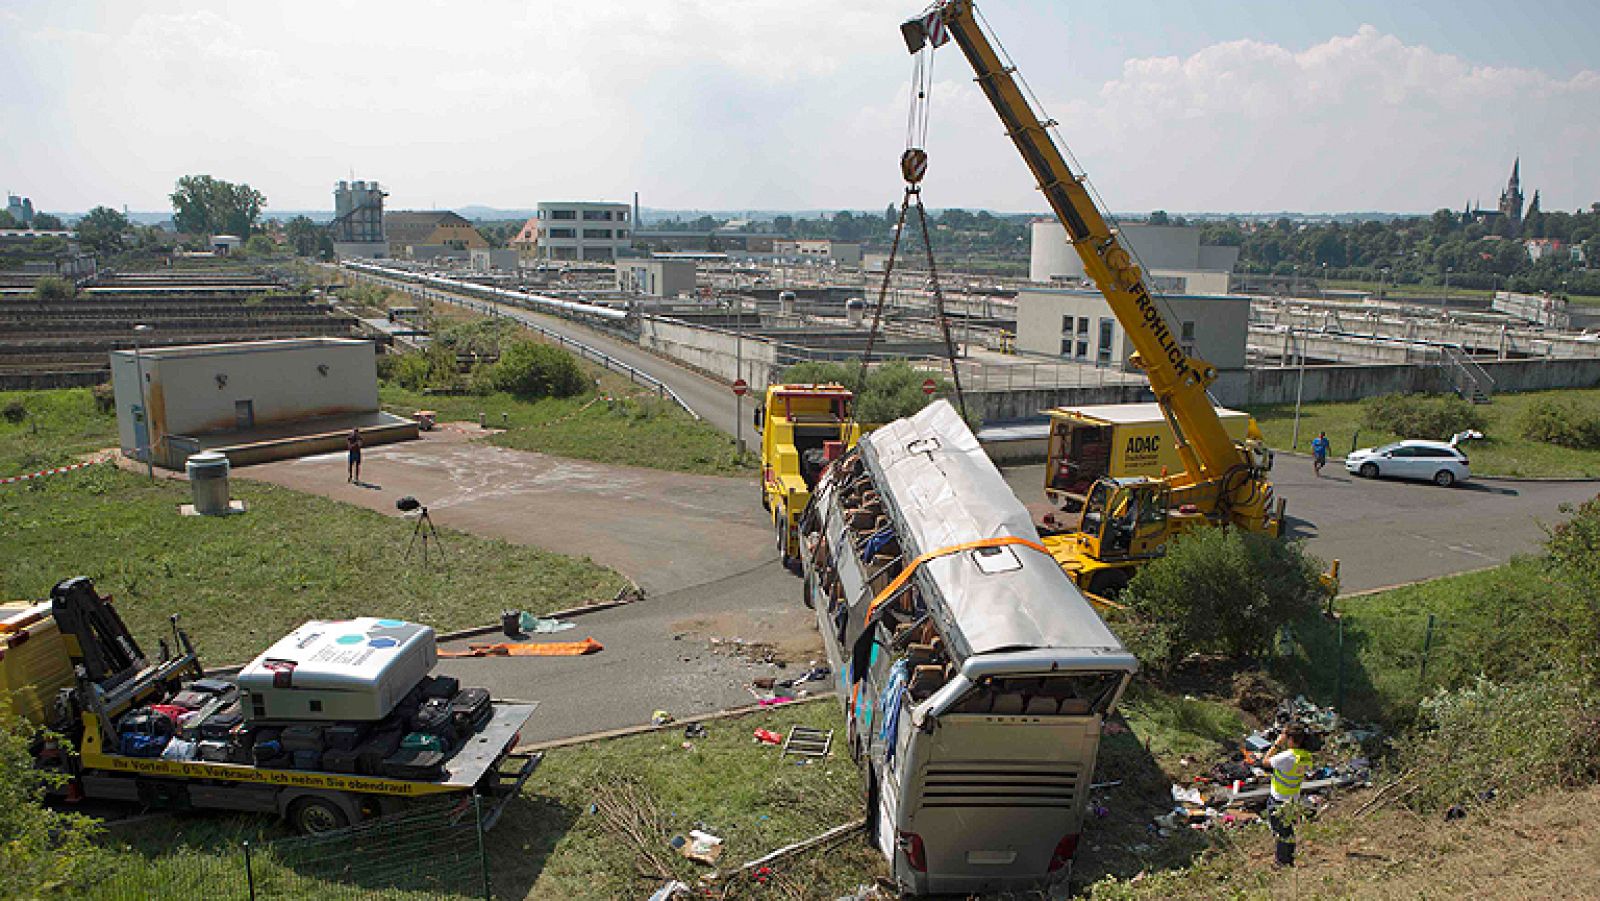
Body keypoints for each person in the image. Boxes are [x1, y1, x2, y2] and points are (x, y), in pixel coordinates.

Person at [1265, 723, 1315, 867]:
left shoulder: (1287, 756)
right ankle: (1287, 858)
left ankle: (1283, 862)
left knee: (1282, 832)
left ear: (1291, 739)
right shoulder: (1306, 756)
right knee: (1286, 829)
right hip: (1292, 798)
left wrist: (1276, 744)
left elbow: (1265, 761)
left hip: (1278, 799)